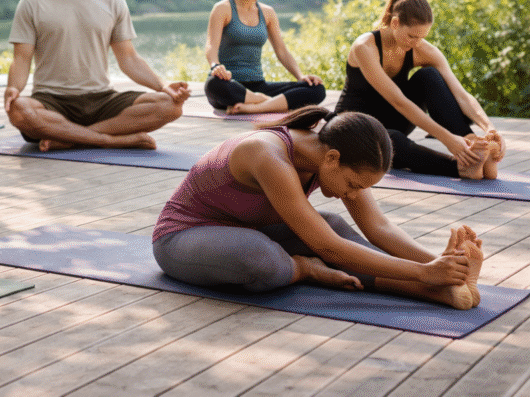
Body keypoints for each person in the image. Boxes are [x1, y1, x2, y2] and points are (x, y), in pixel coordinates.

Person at [153, 106, 484, 310]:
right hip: (182, 238)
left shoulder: (335, 155)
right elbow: (329, 248)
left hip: (252, 229)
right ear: (333, 159)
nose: (353, 194)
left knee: (335, 226)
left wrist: (437, 263)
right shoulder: (267, 154)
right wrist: (422, 271)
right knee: (261, 258)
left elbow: (379, 228)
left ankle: (435, 291)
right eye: (353, 184)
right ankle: (304, 269)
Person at [4, 0, 190, 151]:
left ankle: (69, 138)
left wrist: (163, 87)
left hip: (102, 100)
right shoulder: (32, 2)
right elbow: (21, 59)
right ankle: (111, 139)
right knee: (20, 110)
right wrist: (14, 88)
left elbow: (129, 58)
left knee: (170, 106)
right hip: (52, 101)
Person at [335, 0, 505, 179]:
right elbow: (399, 101)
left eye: (422, 37)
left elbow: (461, 95)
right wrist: (448, 139)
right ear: (395, 23)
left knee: (429, 76)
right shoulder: (365, 47)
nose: (416, 43)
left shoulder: (422, 50)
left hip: (391, 120)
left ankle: (472, 145)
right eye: (412, 36)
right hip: (354, 128)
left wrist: (490, 129)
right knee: (392, 141)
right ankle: (461, 166)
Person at [204, 0, 325, 114]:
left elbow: (281, 51)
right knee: (213, 85)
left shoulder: (268, 13)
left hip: (258, 85)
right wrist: (215, 65)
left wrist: (300, 76)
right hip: (229, 84)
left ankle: (255, 106)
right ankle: (265, 101)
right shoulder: (223, 8)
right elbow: (211, 46)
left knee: (316, 89)